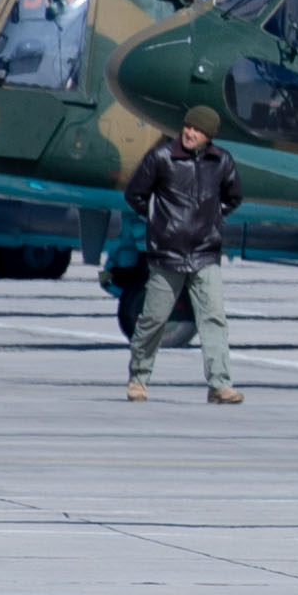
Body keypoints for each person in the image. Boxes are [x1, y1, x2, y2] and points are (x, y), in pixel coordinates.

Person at [118, 105, 244, 404]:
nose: (190, 132)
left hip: (205, 254)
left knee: (213, 319)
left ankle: (220, 385)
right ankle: (138, 379)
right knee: (153, 319)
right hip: (167, 254)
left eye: (197, 129)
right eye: (188, 126)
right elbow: (135, 194)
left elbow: (233, 196)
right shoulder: (161, 157)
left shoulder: (221, 161)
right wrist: (158, 222)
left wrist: (212, 217)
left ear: (209, 136)